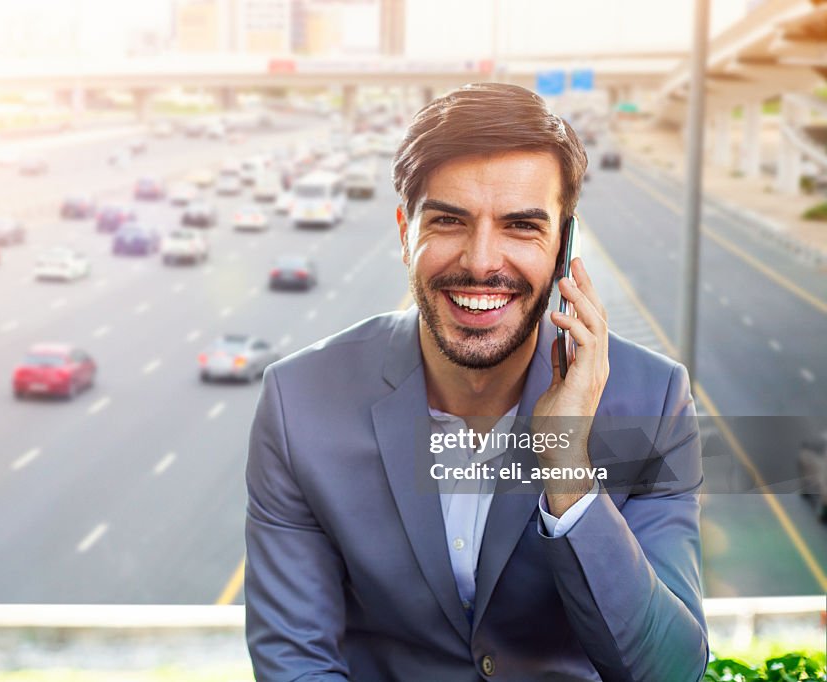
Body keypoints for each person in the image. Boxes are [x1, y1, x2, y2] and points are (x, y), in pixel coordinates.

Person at [245, 82, 707, 681]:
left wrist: (567, 466)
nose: (482, 261)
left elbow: (669, 672)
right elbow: (296, 660)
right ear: (405, 233)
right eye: (448, 220)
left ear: (563, 243)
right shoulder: (296, 402)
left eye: (521, 226)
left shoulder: (656, 402)